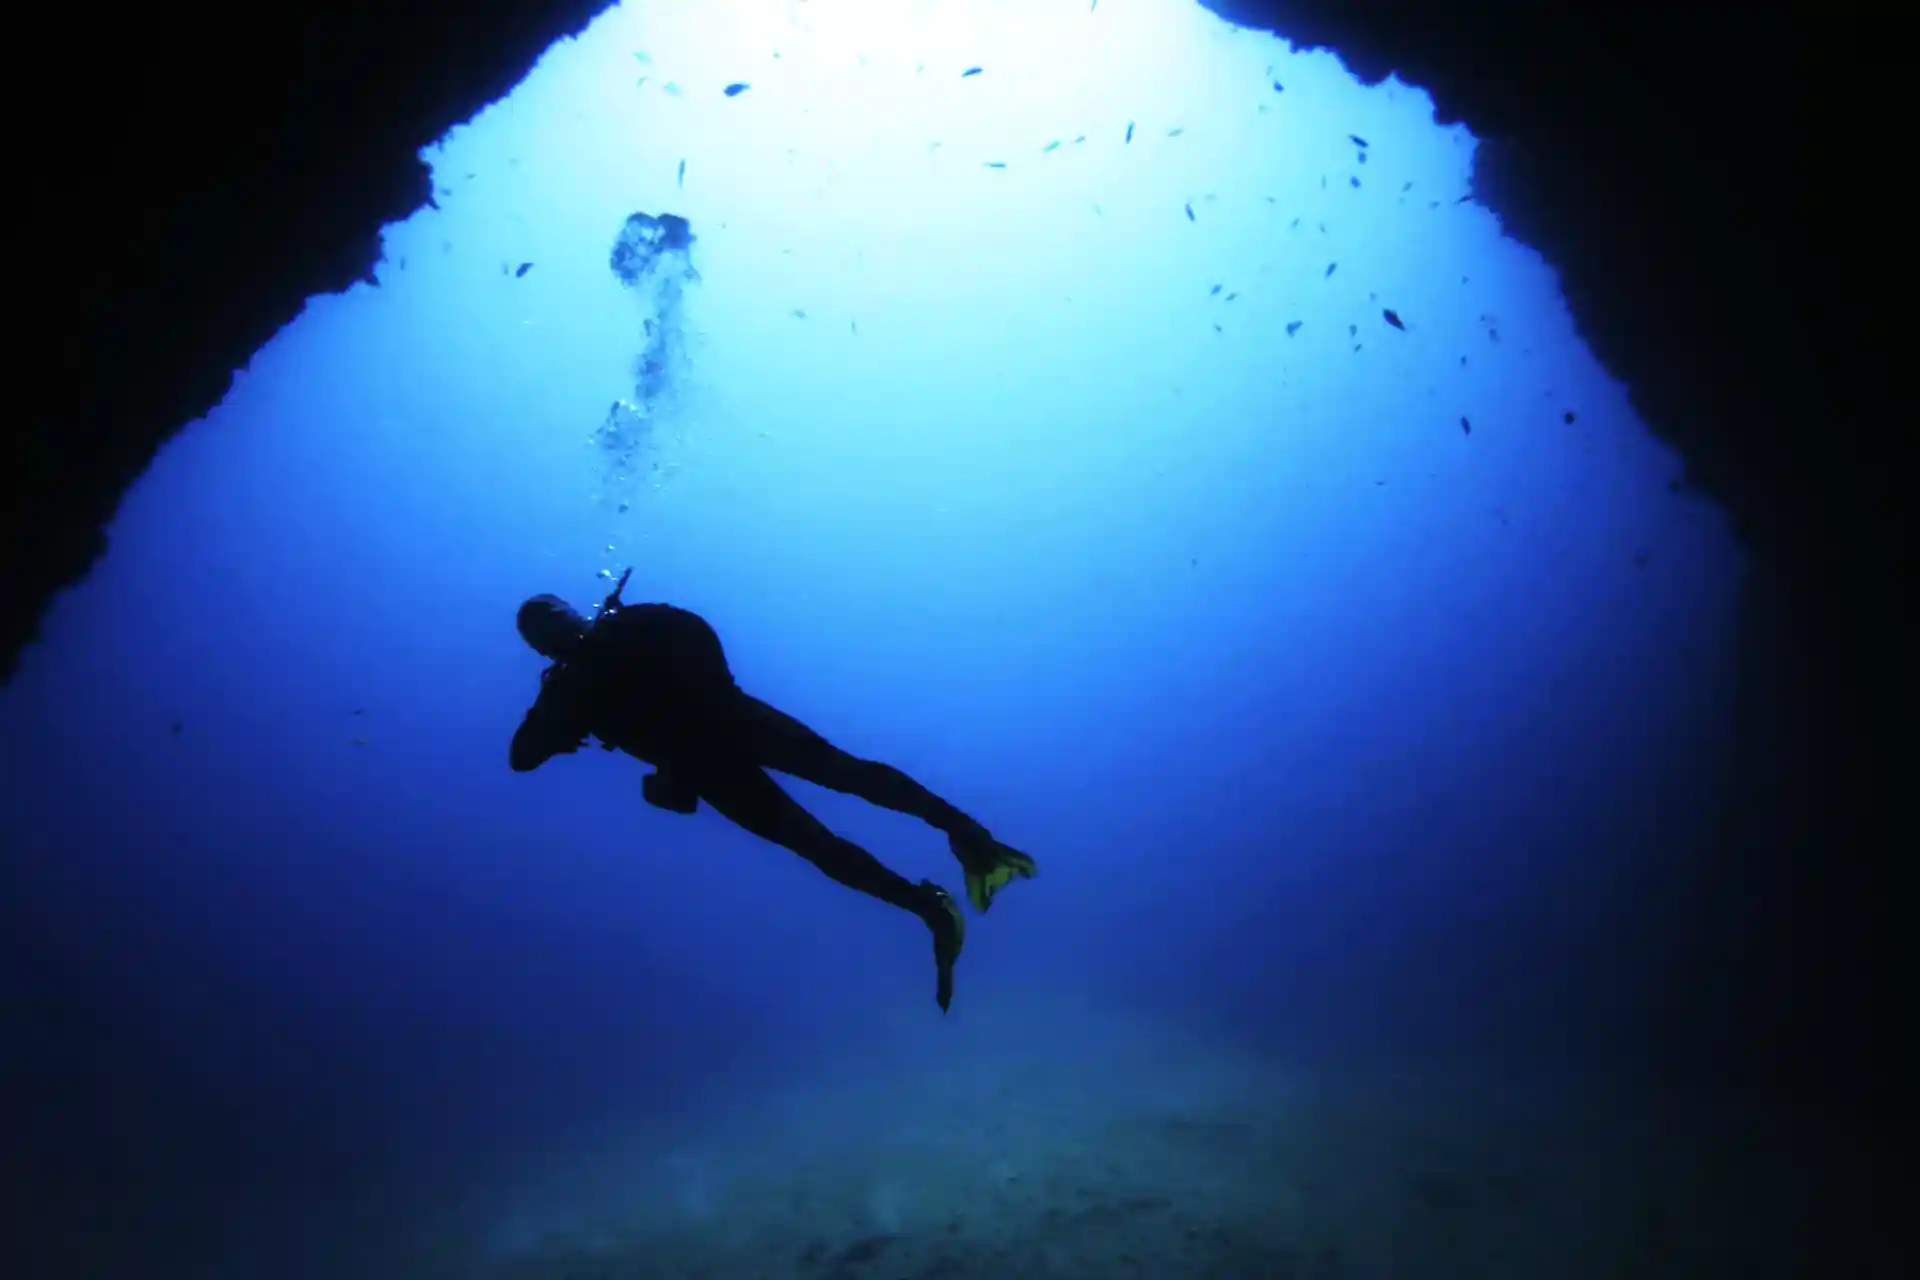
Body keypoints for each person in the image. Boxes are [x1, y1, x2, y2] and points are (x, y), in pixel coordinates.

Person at [510, 571, 1037, 1012]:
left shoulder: (630, 626)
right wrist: (552, 709)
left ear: (573, 612)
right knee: (817, 846)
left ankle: (969, 835)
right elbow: (522, 757)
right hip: (707, 769)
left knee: (850, 775)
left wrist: (688, 726)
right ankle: (928, 909)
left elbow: (696, 633)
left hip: (730, 728)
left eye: (553, 617)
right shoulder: (567, 691)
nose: (550, 633)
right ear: (536, 648)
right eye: (538, 634)